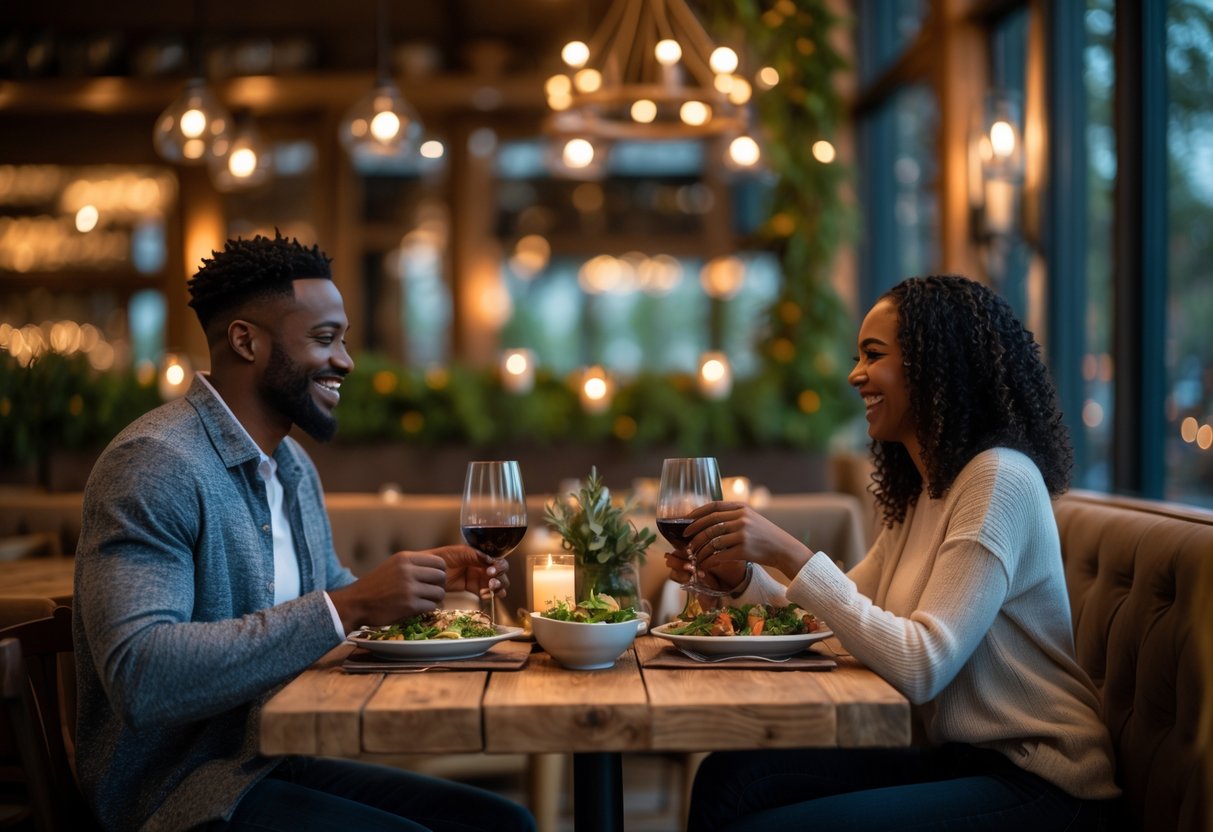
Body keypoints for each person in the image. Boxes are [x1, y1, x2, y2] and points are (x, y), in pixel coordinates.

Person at [72, 232, 536, 832]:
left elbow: (329, 594)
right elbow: (142, 676)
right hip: (178, 793)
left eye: (342, 339)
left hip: (274, 762)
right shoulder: (155, 463)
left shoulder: (291, 466)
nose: (345, 360)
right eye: (324, 339)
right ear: (246, 341)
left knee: (503, 824)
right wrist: (351, 604)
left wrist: (423, 586)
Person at [667, 275, 1120, 831]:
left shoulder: (998, 480)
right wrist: (738, 578)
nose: (855, 375)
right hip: (950, 757)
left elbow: (923, 663)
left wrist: (789, 550)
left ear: (934, 366)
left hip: (1042, 784)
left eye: (873, 355)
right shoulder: (925, 490)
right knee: (727, 780)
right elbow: (828, 623)